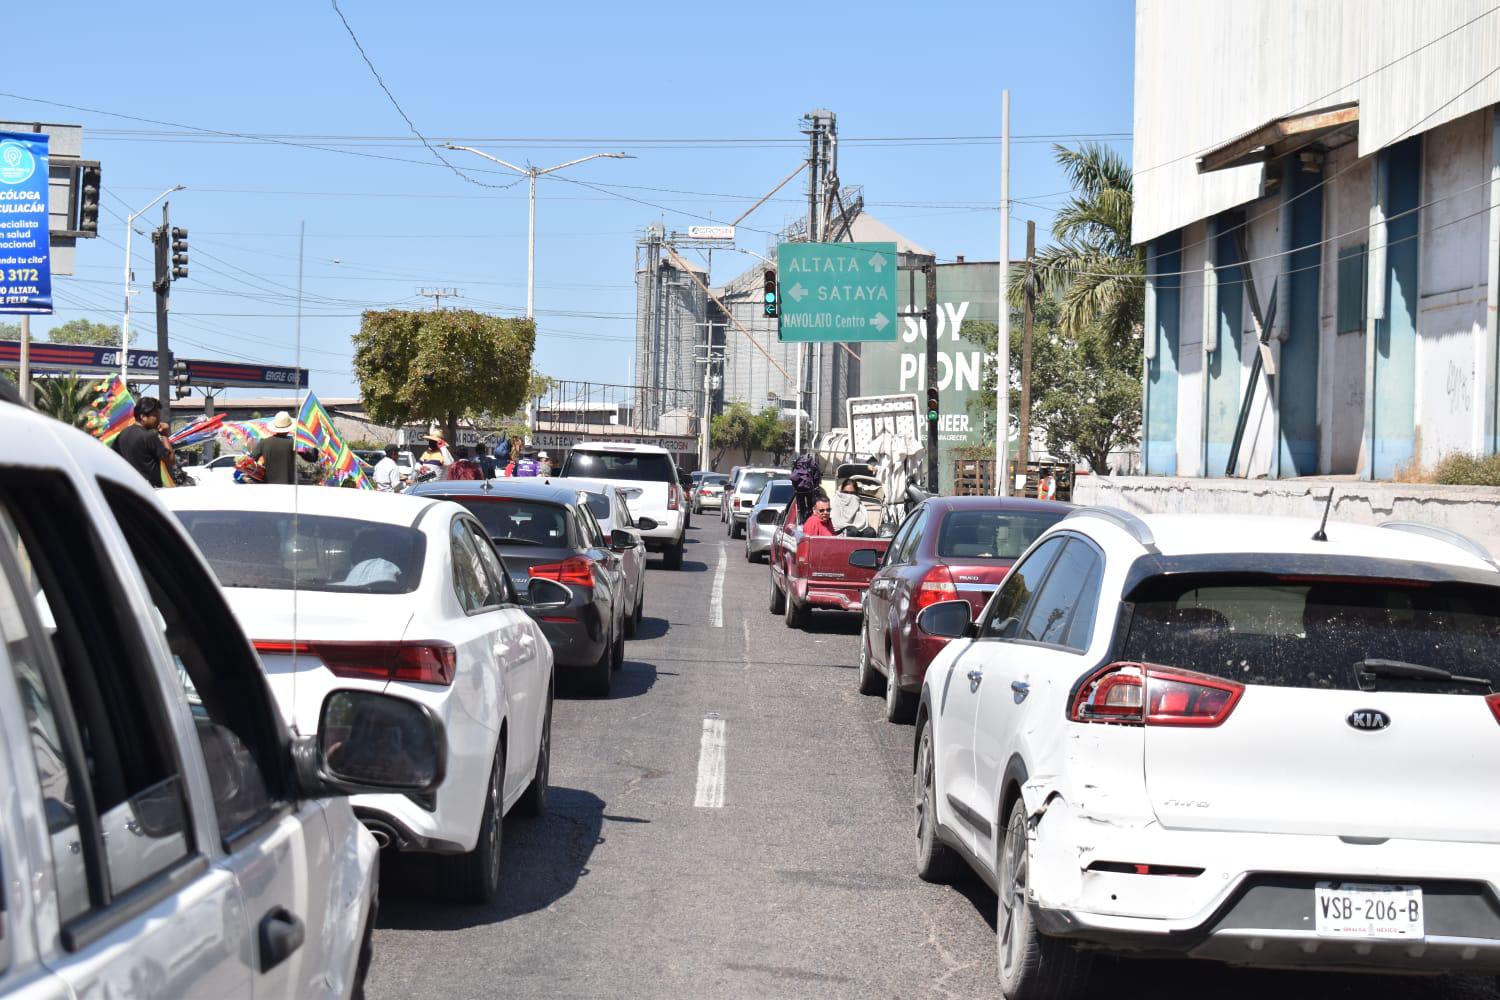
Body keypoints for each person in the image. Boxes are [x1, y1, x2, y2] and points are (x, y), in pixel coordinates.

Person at [111, 397, 174, 487]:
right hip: (150, 490)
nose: (159, 420)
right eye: (156, 416)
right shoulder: (149, 436)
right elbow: (170, 460)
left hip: (128, 488)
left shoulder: (122, 434)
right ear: (143, 417)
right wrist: (164, 435)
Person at [250, 411, 297, 485]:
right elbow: (311, 458)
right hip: (288, 486)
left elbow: (250, 460)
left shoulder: (264, 442)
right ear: (289, 427)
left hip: (268, 485)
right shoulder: (294, 443)